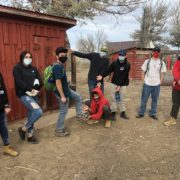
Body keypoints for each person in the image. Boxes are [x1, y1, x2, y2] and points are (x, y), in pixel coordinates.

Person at [52, 47, 85, 137]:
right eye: (61, 55)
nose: (64, 57)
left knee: (78, 97)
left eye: (65, 55)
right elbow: (58, 82)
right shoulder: (57, 67)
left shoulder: (61, 65)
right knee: (64, 110)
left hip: (66, 89)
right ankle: (59, 130)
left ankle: (79, 115)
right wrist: (62, 96)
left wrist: (71, 51)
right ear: (57, 56)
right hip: (62, 92)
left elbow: (61, 81)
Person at [13, 51, 43, 144]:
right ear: (22, 57)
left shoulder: (33, 68)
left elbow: (40, 80)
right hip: (24, 94)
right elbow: (19, 82)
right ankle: (23, 129)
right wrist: (30, 89)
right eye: (26, 57)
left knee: (32, 114)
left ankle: (30, 136)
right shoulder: (17, 68)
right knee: (38, 112)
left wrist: (37, 89)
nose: (28, 58)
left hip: (34, 94)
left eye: (30, 57)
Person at [97, 49, 130, 120]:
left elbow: (124, 76)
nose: (121, 56)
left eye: (122, 55)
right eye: (120, 55)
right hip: (114, 83)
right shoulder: (114, 63)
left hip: (123, 84)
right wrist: (102, 76)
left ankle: (122, 112)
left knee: (121, 98)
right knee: (114, 98)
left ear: (125, 56)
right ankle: (113, 112)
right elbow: (108, 70)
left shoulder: (127, 65)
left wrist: (119, 86)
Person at [136, 46, 167, 120]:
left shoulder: (162, 62)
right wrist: (143, 81)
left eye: (157, 52)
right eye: (154, 51)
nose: (156, 53)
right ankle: (141, 113)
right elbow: (143, 71)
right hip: (147, 84)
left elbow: (163, 73)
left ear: (159, 53)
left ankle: (153, 113)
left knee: (155, 99)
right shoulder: (147, 61)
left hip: (156, 84)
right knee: (144, 99)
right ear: (152, 52)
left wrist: (160, 81)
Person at [0, 72, 19, 157]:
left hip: (0, 106)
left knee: (3, 127)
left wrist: (6, 104)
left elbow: (2, 89)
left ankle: (7, 147)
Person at [164, 56, 180, 126]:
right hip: (177, 87)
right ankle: (172, 119)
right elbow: (175, 71)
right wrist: (178, 79)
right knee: (175, 104)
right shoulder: (178, 62)